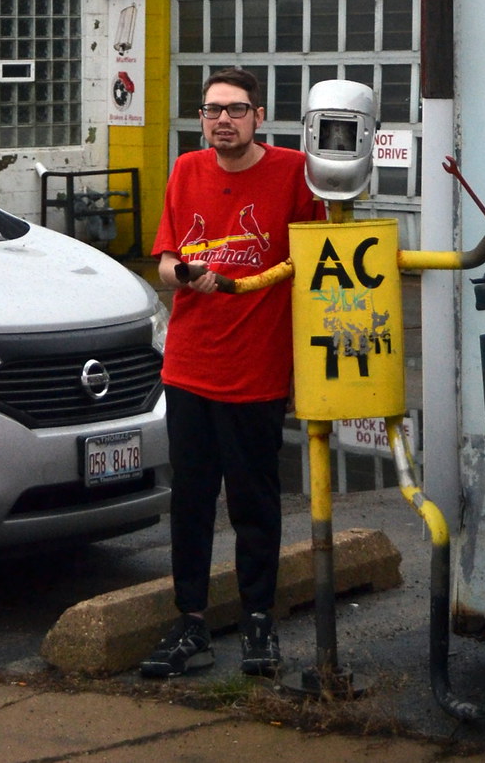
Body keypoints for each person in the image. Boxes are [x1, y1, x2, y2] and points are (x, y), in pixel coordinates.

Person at [140, 66, 324, 678]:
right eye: (214, 110)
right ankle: (190, 621)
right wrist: (185, 275)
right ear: (202, 118)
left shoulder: (294, 172)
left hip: (255, 368)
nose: (224, 120)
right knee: (190, 500)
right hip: (190, 363)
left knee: (254, 502)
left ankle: (257, 623)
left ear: (258, 118)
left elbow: (316, 260)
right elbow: (166, 259)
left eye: (237, 110)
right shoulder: (187, 170)